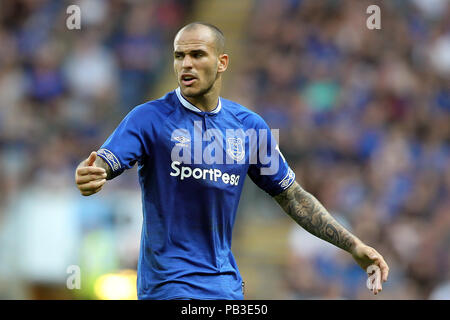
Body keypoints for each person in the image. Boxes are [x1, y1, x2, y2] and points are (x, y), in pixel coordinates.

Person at [75, 22, 389, 300]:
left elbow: (293, 197)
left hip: (225, 286)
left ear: (222, 62)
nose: (187, 64)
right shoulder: (149, 118)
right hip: (168, 286)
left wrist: (353, 246)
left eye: (197, 55)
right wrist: (92, 173)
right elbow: (104, 161)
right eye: (179, 56)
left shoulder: (249, 127)